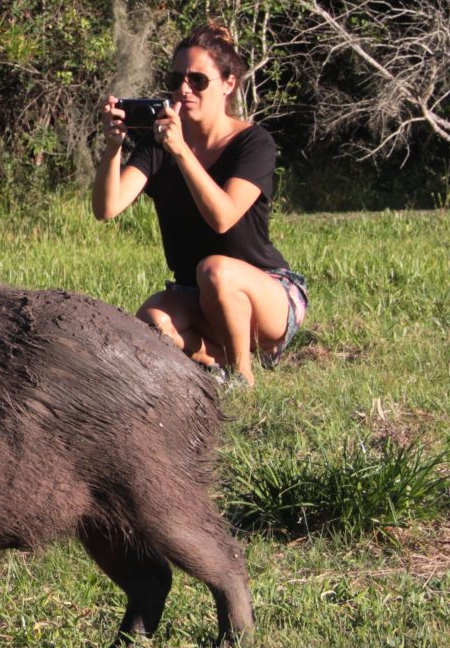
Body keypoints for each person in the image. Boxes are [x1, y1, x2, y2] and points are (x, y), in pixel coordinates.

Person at [91, 21, 308, 387]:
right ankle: (217, 360)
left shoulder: (253, 143)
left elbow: (222, 217)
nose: (184, 90)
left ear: (228, 84)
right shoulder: (158, 144)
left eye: (198, 81)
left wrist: (180, 151)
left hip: (264, 293)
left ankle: (244, 375)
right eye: (176, 80)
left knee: (217, 271)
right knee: (150, 323)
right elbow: (107, 208)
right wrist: (114, 148)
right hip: (195, 291)